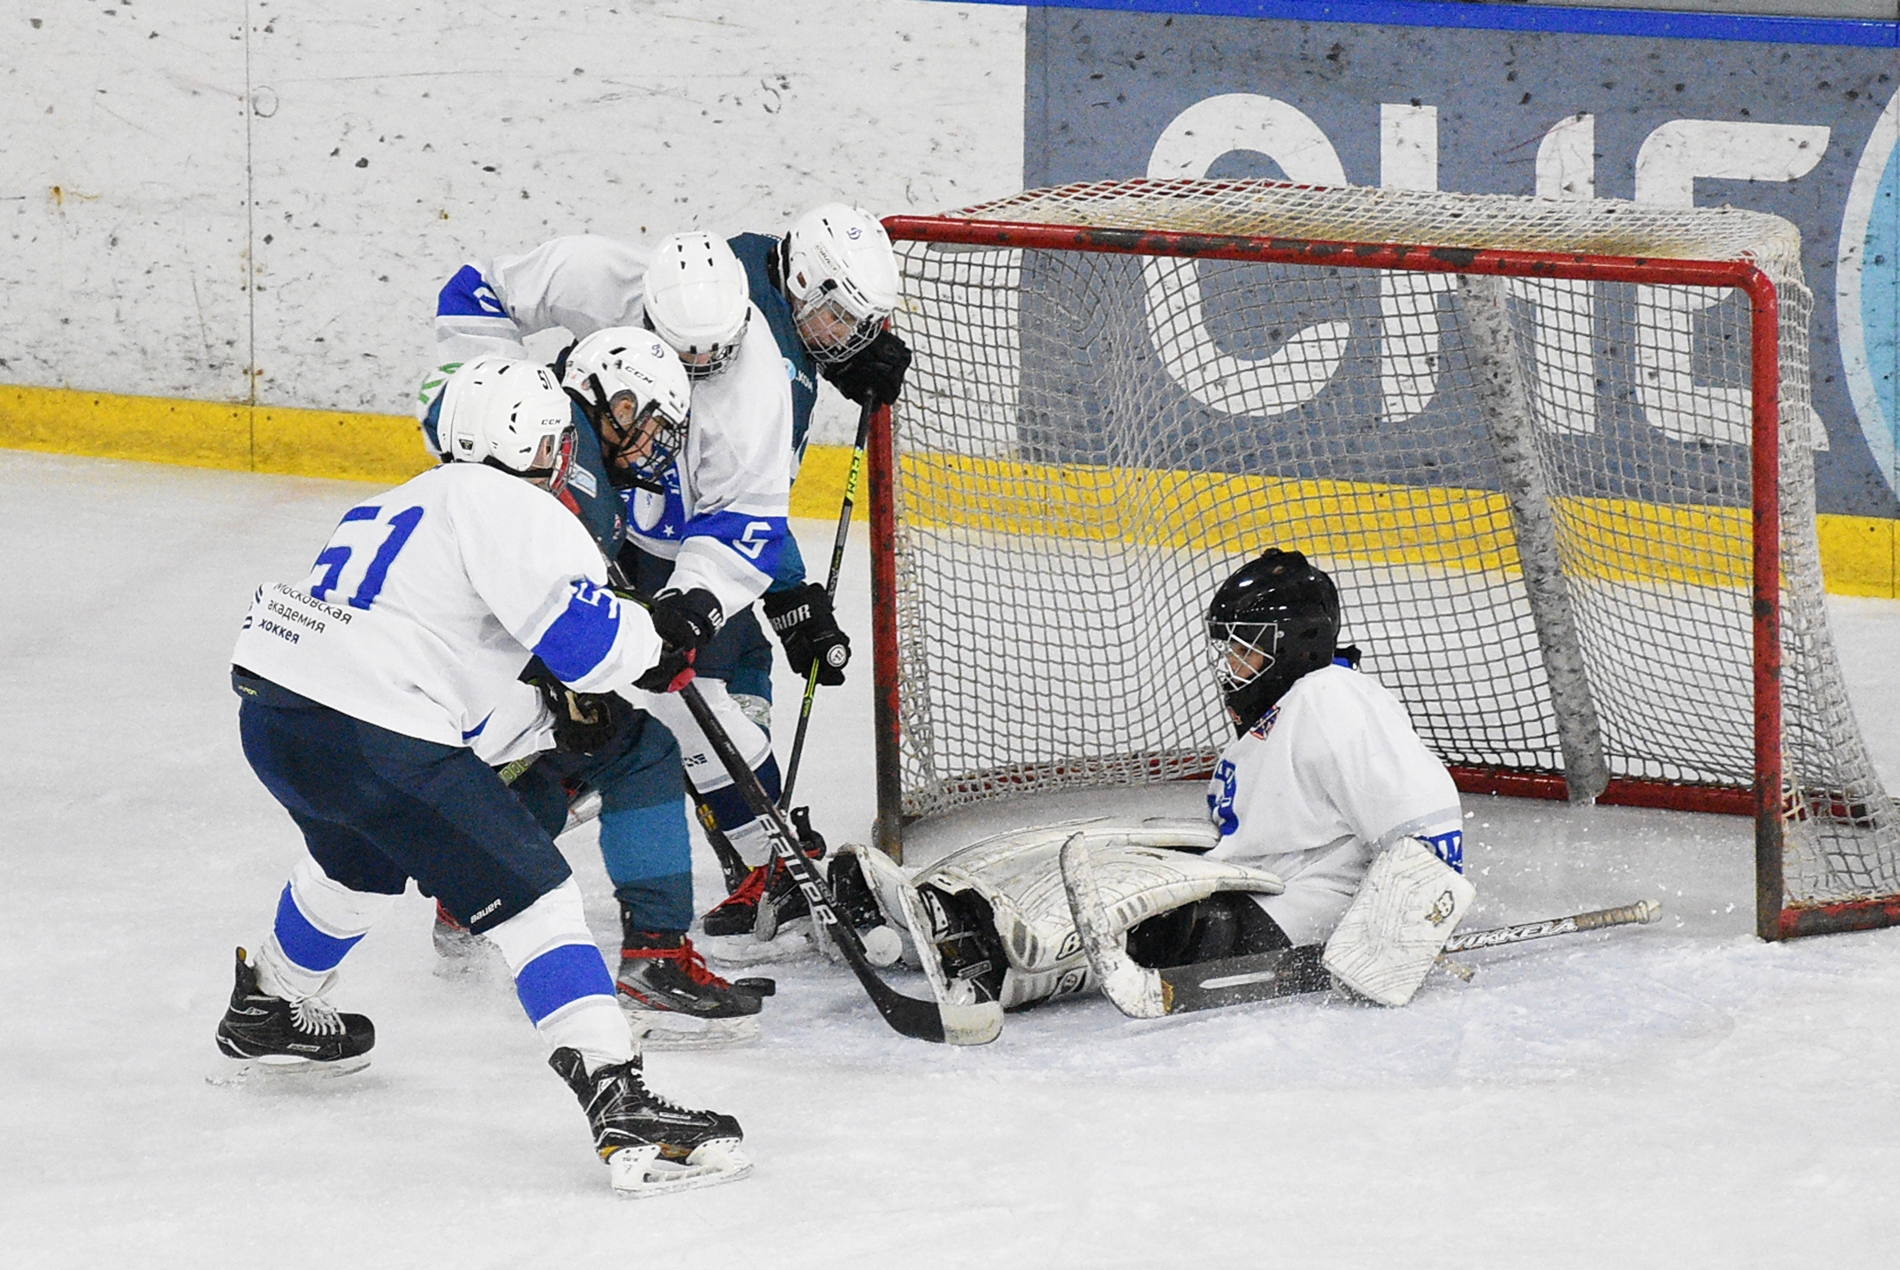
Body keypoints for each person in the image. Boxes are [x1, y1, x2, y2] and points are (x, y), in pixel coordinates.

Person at [215, 357, 750, 1196]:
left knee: (356, 857)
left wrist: (547, 705)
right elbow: (590, 652)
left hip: (278, 714)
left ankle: (270, 1006)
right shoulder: (516, 507)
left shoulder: (395, 501)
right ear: (542, 444)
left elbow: (437, 653)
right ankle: (622, 1105)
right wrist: (661, 635)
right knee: (540, 901)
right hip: (377, 727)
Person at [422, 208, 912, 947]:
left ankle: (759, 861)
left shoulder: (759, 384)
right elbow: (478, 292)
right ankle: (497, 870)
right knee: (573, 716)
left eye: (713, 357)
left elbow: (745, 516)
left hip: (655, 541)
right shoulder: (608, 280)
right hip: (561, 508)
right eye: (838, 317)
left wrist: (706, 603)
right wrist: (498, 407)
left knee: (688, 705)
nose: (696, 368)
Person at [829, 547, 1475, 1011]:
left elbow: (1426, 818)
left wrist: (1401, 938)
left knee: (1163, 922)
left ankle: (991, 952)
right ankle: (928, 912)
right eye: (1227, 647)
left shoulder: (1334, 697)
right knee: (1099, 853)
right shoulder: (1275, 718)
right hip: (1256, 883)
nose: (1231, 664)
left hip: (1296, 908)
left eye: (1246, 647)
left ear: (1295, 644)